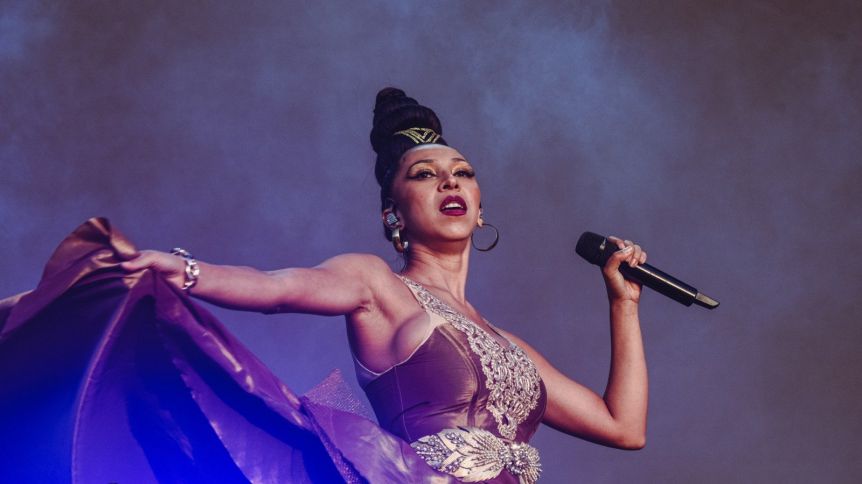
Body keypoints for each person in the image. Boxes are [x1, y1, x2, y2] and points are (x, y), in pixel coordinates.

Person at [119, 88, 649, 483]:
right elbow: (277, 288)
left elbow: (624, 427)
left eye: (462, 172)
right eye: (423, 174)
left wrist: (622, 303)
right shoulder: (377, 286)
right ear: (392, 214)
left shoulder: (510, 348)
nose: (449, 181)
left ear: (479, 206)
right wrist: (186, 271)